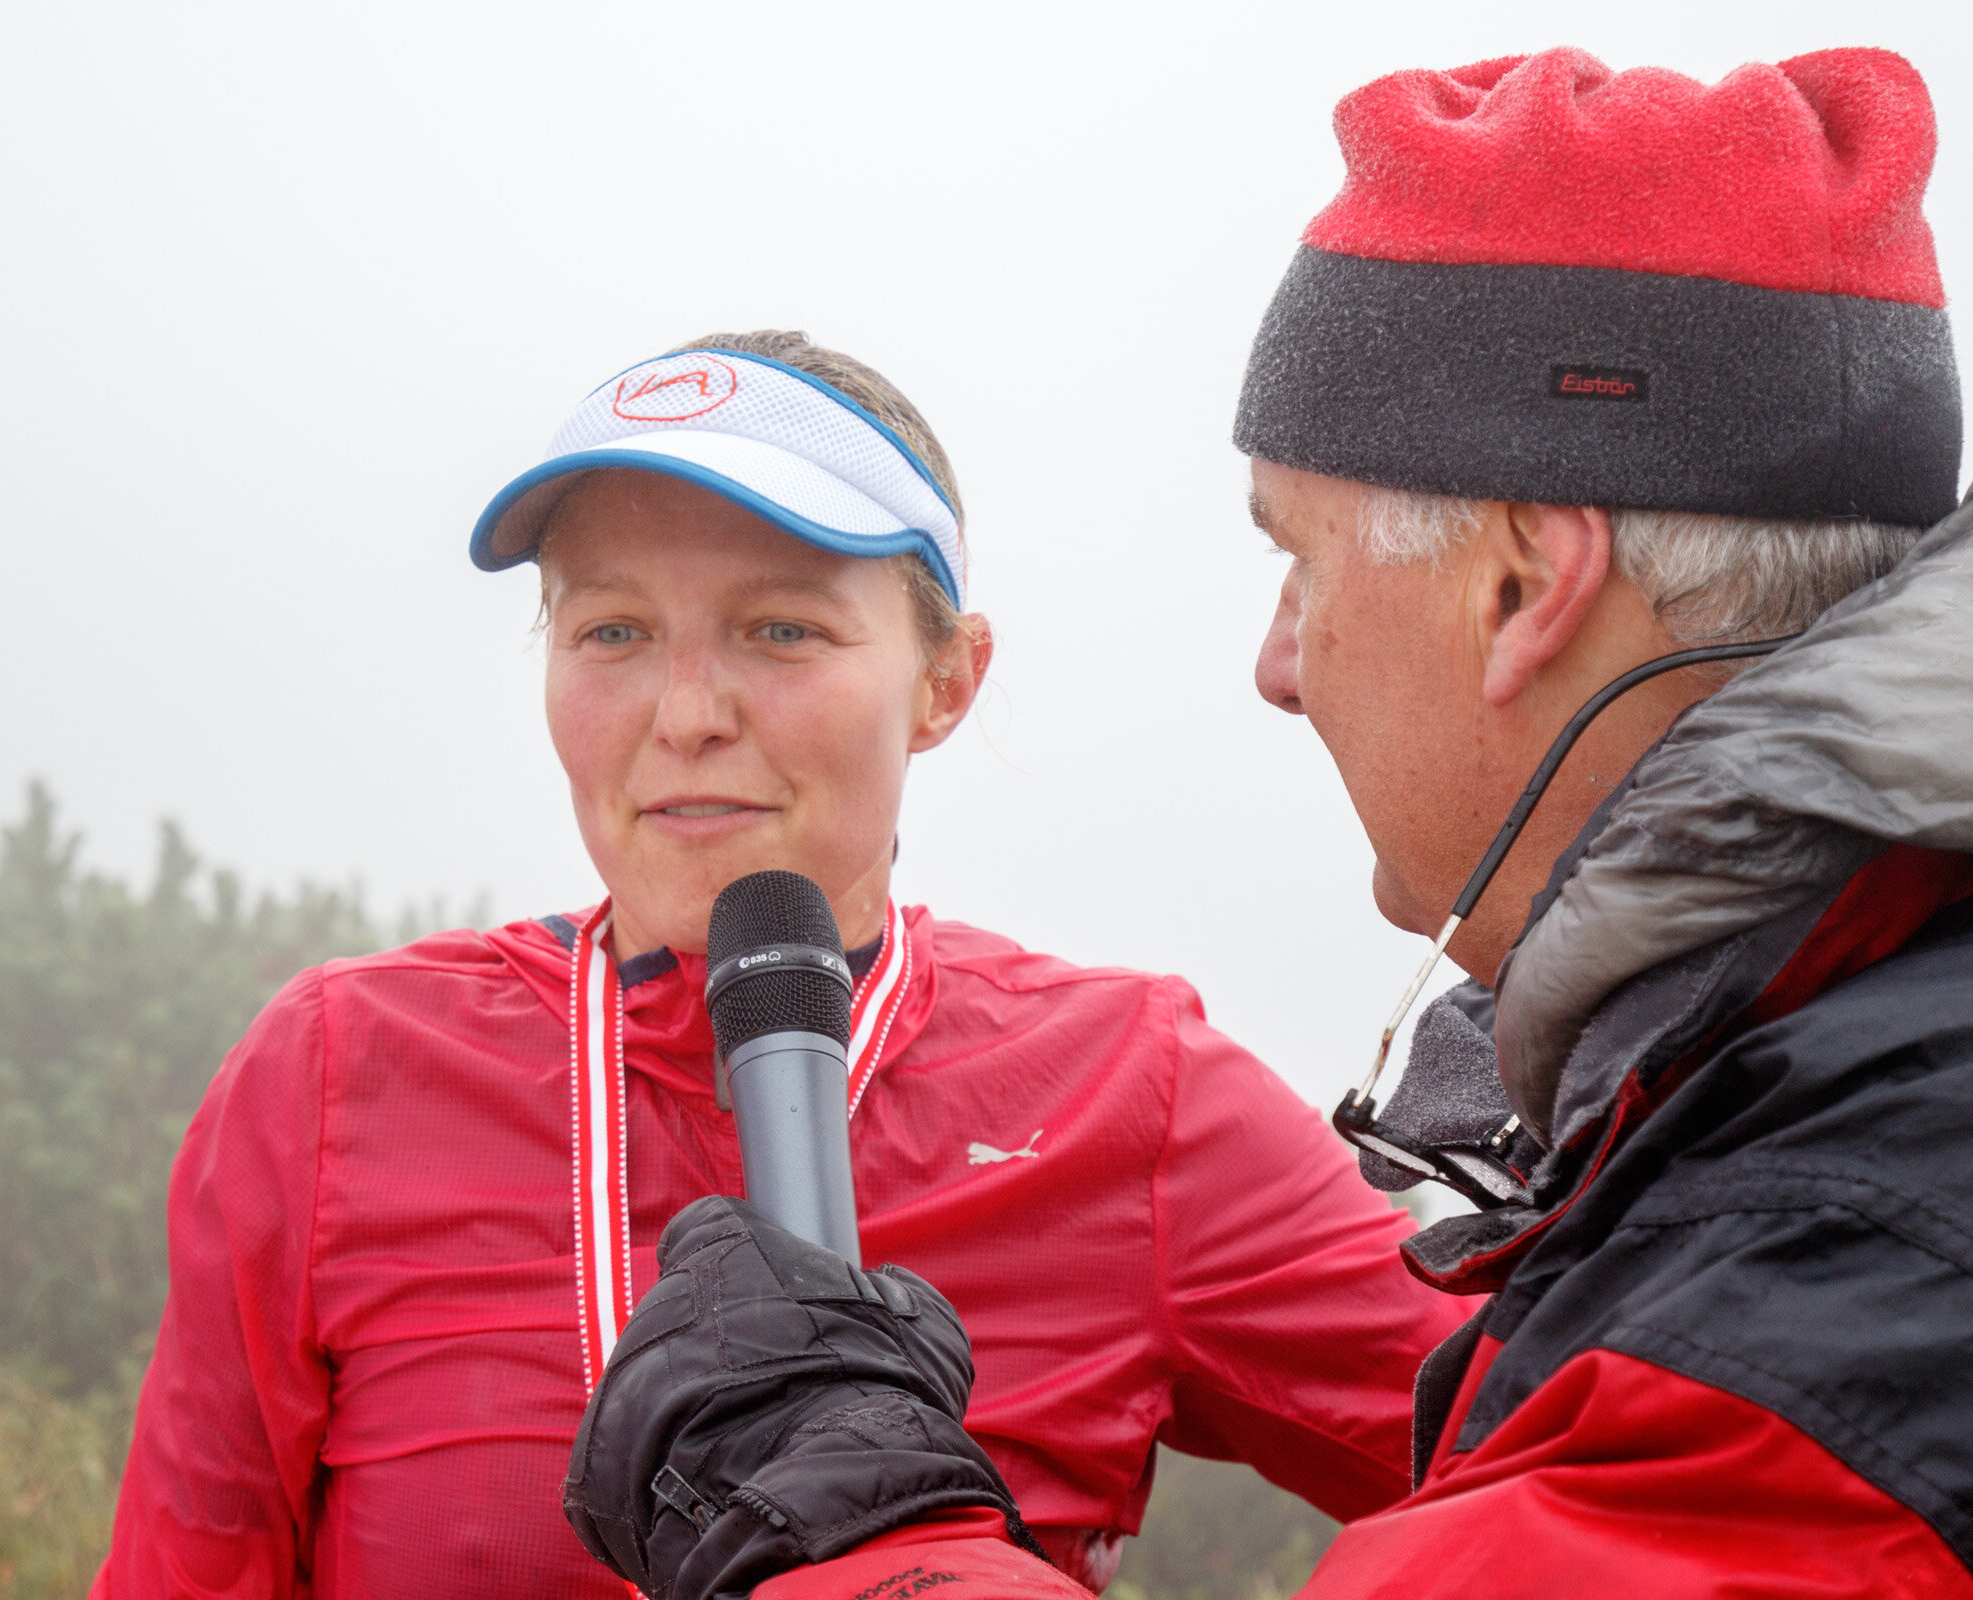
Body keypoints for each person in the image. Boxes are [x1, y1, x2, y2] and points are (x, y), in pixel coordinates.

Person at [567, 47, 1973, 1599]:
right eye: (609, 627)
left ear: (1523, 585)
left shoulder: (1879, 1255)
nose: (1276, 665)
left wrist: (840, 1515)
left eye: (1299, 557)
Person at [92, 330, 1474, 1597]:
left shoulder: (1130, 1091)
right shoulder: (340, 1072)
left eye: (782, 630)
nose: (687, 714)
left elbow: (1591, 1477)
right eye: (613, 631)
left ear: (948, 682)